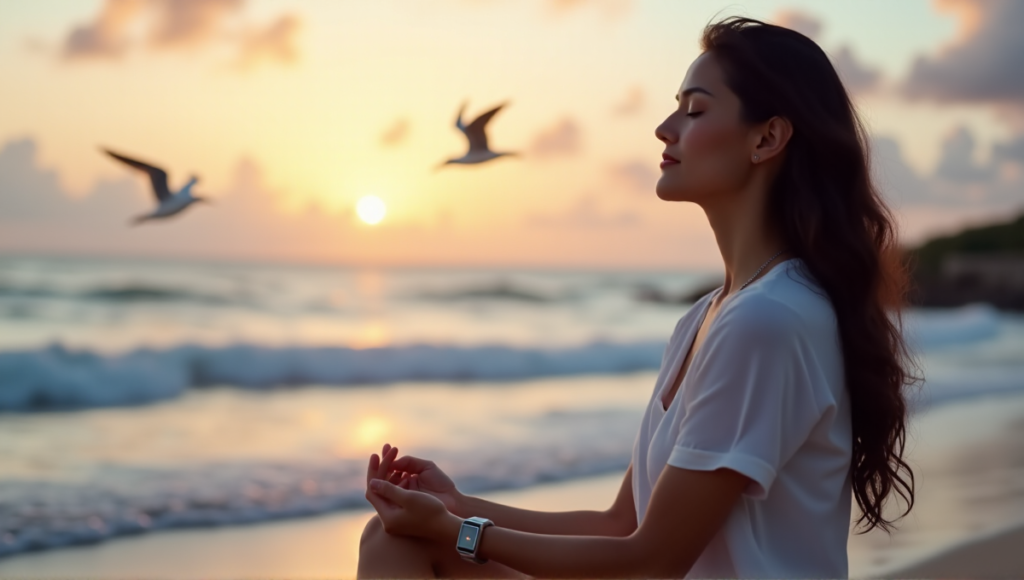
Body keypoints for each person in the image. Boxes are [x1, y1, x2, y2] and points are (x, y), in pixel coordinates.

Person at [356, 16, 918, 579]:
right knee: (396, 535)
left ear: (766, 138)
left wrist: (454, 532)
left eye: (694, 110)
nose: (664, 128)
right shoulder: (709, 316)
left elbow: (651, 560)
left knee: (399, 543)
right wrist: (456, 507)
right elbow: (621, 523)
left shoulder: (767, 321)